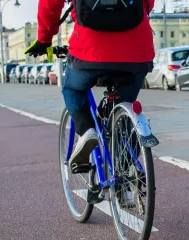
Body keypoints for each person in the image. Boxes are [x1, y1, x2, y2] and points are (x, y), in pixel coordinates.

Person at [25, 0, 155, 174]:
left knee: (72, 88)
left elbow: (50, 4)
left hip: (90, 49)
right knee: (127, 105)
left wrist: (44, 40)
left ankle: (86, 130)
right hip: (137, 51)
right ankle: (125, 174)